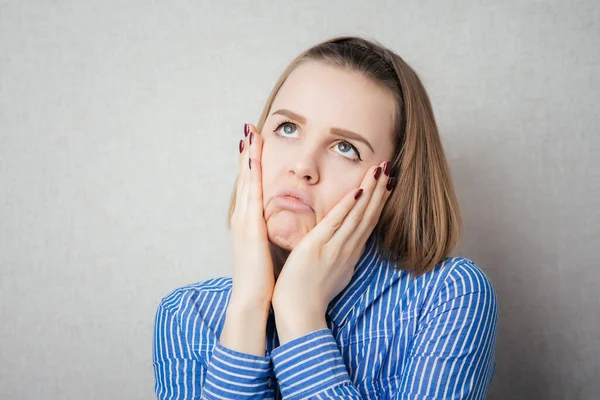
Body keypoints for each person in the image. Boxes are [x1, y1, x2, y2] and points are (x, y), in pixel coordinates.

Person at [153, 35, 498, 399]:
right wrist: (249, 306)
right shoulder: (187, 315)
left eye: (345, 148)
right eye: (288, 128)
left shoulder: (447, 296)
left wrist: (300, 314)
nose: (303, 167)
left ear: (390, 182)